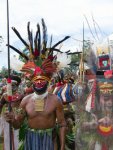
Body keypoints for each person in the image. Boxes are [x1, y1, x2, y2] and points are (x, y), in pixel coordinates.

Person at [4, 19, 69, 150]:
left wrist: (62, 146)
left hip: (50, 139)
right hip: (31, 140)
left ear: (48, 81)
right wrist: (12, 119)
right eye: (36, 81)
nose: (39, 83)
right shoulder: (25, 101)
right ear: (31, 83)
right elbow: (18, 125)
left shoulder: (55, 100)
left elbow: (62, 124)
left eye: (42, 81)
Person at [0, 75, 23, 150]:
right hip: (7, 119)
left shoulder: (21, 96)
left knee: (18, 137)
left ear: (17, 85)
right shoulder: (5, 96)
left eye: (13, 85)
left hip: (18, 119)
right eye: (9, 85)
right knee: (7, 137)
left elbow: (23, 109)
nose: (10, 87)